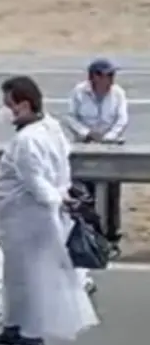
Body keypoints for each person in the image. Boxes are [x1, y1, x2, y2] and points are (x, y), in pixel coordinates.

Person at [0, 76, 99, 345]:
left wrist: (57, 199)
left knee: (32, 280)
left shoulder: (27, 140)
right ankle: (13, 328)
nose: (4, 111)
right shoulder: (51, 128)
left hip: (29, 220)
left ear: (23, 105)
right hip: (24, 221)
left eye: (8, 105)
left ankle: (31, 340)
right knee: (16, 279)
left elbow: (37, 183)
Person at [64, 58, 128, 250]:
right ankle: (89, 235)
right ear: (94, 77)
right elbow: (70, 117)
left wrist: (108, 138)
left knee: (111, 195)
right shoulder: (79, 92)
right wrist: (87, 134)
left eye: (112, 75)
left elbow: (122, 119)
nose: (110, 79)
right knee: (85, 193)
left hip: (111, 149)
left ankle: (111, 236)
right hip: (85, 148)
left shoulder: (118, 94)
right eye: (107, 75)